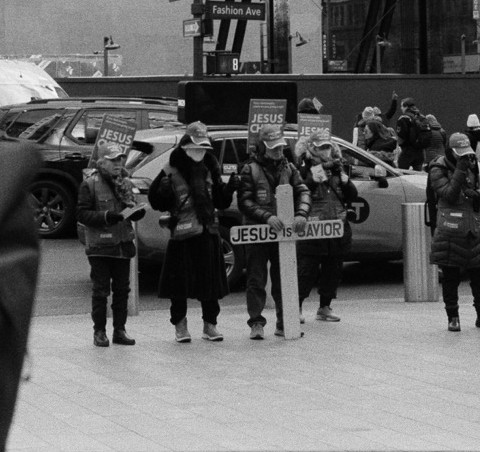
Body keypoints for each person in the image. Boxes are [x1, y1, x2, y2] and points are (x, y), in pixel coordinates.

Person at [147, 122, 237, 343]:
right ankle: (180, 326)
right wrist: (163, 192)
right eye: (196, 147)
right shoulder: (171, 169)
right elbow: (156, 201)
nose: (199, 152)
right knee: (179, 284)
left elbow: (221, 201)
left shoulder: (210, 167)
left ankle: (210, 325)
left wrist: (230, 187)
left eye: (203, 148)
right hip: (182, 234)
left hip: (208, 232)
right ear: (186, 146)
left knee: (210, 283)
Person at [238, 124, 311, 339]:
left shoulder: (290, 168)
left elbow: (303, 191)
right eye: (273, 148)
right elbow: (244, 201)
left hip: (284, 234)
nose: (278, 152)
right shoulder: (249, 169)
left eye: (280, 147)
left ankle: (283, 322)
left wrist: (301, 214)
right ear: (262, 147)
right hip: (258, 231)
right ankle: (256, 323)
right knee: (256, 279)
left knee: (285, 279)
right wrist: (266, 217)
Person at [428, 132, 480, 332]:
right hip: (450, 230)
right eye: (459, 154)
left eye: (466, 153)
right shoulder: (438, 168)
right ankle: (453, 317)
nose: (464, 157)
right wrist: (460, 170)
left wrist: (478, 193)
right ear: (450, 152)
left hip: (473, 228)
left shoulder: (475, 166)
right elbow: (449, 195)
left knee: (479, 275)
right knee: (451, 276)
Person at [77, 142, 144, 347]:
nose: (118, 163)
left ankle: (119, 330)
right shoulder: (90, 183)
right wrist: (108, 216)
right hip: (100, 247)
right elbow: (82, 214)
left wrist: (136, 211)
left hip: (122, 244)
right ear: (102, 162)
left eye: (120, 159)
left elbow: (131, 206)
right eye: (113, 160)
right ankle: (99, 332)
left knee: (123, 290)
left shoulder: (124, 181)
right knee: (101, 291)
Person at [294, 129, 359, 323]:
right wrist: (318, 173)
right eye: (321, 148)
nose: (325, 151)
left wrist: (345, 182)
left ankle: (325, 306)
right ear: (312, 148)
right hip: (314, 227)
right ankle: (295, 307)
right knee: (307, 270)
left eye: (327, 147)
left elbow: (352, 195)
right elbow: (302, 190)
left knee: (333, 269)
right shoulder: (303, 167)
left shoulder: (338, 167)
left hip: (337, 225)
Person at [395, 97, 428, 171]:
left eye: (402, 106)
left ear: (406, 107)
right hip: (421, 152)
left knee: (402, 175)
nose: (401, 108)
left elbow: (401, 136)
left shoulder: (403, 118)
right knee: (418, 176)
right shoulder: (421, 117)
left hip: (407, 151)